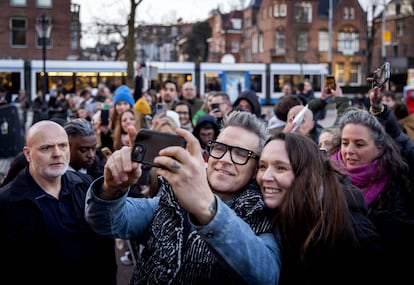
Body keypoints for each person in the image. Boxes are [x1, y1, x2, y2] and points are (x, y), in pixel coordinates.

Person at [85, 111, 281, 284]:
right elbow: (106, 223)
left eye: (241, 154)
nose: (225, 159)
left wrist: (208, 209)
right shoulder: (172, 197)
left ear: (256, 167)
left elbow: (266, 276)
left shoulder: (261, 215)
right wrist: (112, 189)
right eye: (219, 148)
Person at [256, 131, 386, 285]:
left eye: (281, 168)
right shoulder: (269, 215)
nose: (265, 177)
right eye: (262, 166)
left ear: (306, 173)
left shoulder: (354, 233)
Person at [0, 120, 117, 284]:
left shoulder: (87, 186)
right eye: (46, 148)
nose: (57, 153)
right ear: (27, 154)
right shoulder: (6, 203)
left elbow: (104, 252)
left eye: (62, 146)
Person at [330, 99, 414, 283]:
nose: (349, 151)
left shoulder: (398, 183)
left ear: (380, 147)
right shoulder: (325, 177)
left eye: (359, 144)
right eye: (345, 143)